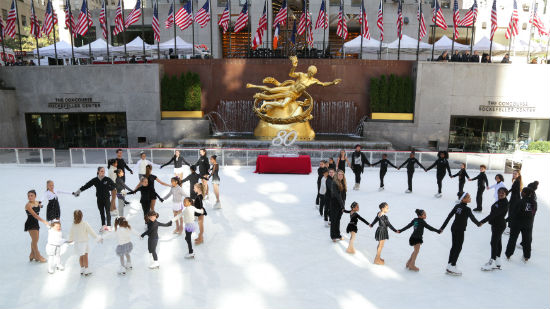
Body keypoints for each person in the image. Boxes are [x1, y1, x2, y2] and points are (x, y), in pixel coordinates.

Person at [439, 193, 481, 275]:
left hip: (454, 228)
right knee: (458, 247)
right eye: (468, 197)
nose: (470, 198)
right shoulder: (467, 209)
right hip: (460, 230)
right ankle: (452, 266)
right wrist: (479, 224)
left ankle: (449, 264)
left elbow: (449, 217)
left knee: (454, 246)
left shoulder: (457, 206)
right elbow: (473, 219)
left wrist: (442, 228)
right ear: (463, 199)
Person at [73, 167, 117, 232]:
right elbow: (86, 186)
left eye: (104, 171)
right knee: (101, 212)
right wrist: (78, 191)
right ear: (98, 172)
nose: (103, 172)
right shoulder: (95, 180)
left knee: (107, 212)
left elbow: (114, 186)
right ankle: (103, 226)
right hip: (99, 199)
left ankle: (109, 226)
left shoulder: (107, 179)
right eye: (101, 171)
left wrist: (109, 187)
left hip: (106, 198)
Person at [480, 187, 509, 271]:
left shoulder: (504, 203)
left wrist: (482, 221)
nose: (500, 194)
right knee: (498, 242)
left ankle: (492, 261)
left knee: (493, 242)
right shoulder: (500, 201)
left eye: (502, 193)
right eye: (499, 192)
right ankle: (498, 261)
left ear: (506, 194)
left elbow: (494, 214)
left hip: (499, 225)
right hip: (495, 224)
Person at [505, 187, 537, 262]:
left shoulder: (520, 201)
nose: (521, 193)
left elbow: (514, 214)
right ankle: (526, 256)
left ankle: (508, 254)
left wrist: (505, 220)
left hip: (517, 224)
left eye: (522, 191)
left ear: (524, 193)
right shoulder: (534, 203)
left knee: (513, 238)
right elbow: (533, 214)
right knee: (527, 240)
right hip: (528, 224)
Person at [68, 210, 103, 276]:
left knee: (81, 256)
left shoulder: (73, 225)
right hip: (84, 243)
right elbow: (91, 232)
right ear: (82, 216)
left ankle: (82, 269)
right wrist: (98, 238)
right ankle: (87, 270)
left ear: (74, 217)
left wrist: (70, 240)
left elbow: (71, 233)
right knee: (85, 256)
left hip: (77, 244)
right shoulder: (85, 224)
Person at [25, 190, 49, 263]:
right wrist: (45, 222)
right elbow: (35, 215)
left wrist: (40, 205)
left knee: (35, 240)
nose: (30, 197)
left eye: (31, 195)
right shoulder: (28, 205)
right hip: (30, 223)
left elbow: (40, 205)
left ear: (35, 196)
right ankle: (38, 256)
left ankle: (32, 255)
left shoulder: (37, 202)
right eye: (28, 196)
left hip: (36, 223)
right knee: (35, 241)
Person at [329, 169, 347, 242]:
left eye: (342, 174)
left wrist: (343, 205)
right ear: (336, 175)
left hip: (341, 204)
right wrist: (342, 206)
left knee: (338, 220)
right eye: (339, 174)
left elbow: (344, 196)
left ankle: (338, 234)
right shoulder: (334, 183)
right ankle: (333, 236)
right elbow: (338, 196)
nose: (340, 176)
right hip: (335, 204)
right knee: (334, 221)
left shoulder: (343, 183)